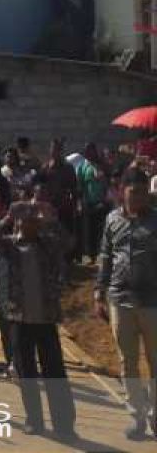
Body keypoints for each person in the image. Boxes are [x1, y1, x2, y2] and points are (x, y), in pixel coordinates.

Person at [0, 207, 76, 437]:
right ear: (19, 222)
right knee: (26, 372)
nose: (31, 223)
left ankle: (64, 425)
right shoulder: (9, 245)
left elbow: (69, 243)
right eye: (26, 219)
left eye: (34, 219)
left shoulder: (48, 244)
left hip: (46, 319)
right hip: (19, 318)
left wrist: (52, 219)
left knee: (55, 372)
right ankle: (34, 420)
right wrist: (7, 217)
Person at [95, 169, 157, 440]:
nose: (138, 198)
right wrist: (99, 292)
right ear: (122, 191)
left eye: (143, 192)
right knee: (127, 363)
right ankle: (137, 418)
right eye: (133, 192)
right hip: (120, 300)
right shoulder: (112, 220)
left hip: (153, 302)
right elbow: (106, 256)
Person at [77, 143, 109, 265]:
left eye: (92, 151)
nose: (90, 154)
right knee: (90, 229)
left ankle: (103, 254)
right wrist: (80, 202)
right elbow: (80, 186)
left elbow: (107, 182)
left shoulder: (102, 165)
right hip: (88, 202)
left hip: (101, 202)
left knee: (102, 229)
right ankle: (92, 255)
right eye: (87, 152)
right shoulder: (82, 166)